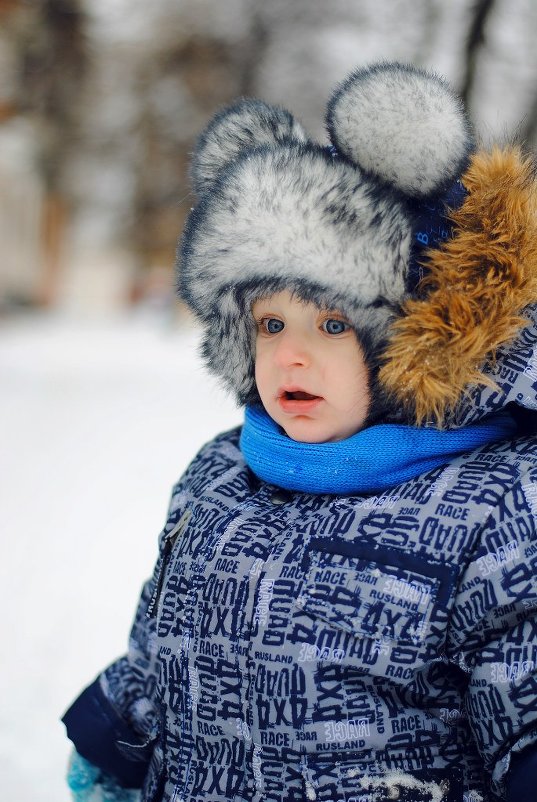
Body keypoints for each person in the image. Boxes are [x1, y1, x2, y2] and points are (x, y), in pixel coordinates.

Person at [62, 62, 537, 802]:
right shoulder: (220, 475)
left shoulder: (495, 509)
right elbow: (163, 643)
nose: (290, 352)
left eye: (333, 322)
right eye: (270, 322)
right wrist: (115, 752)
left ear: (411, 342)